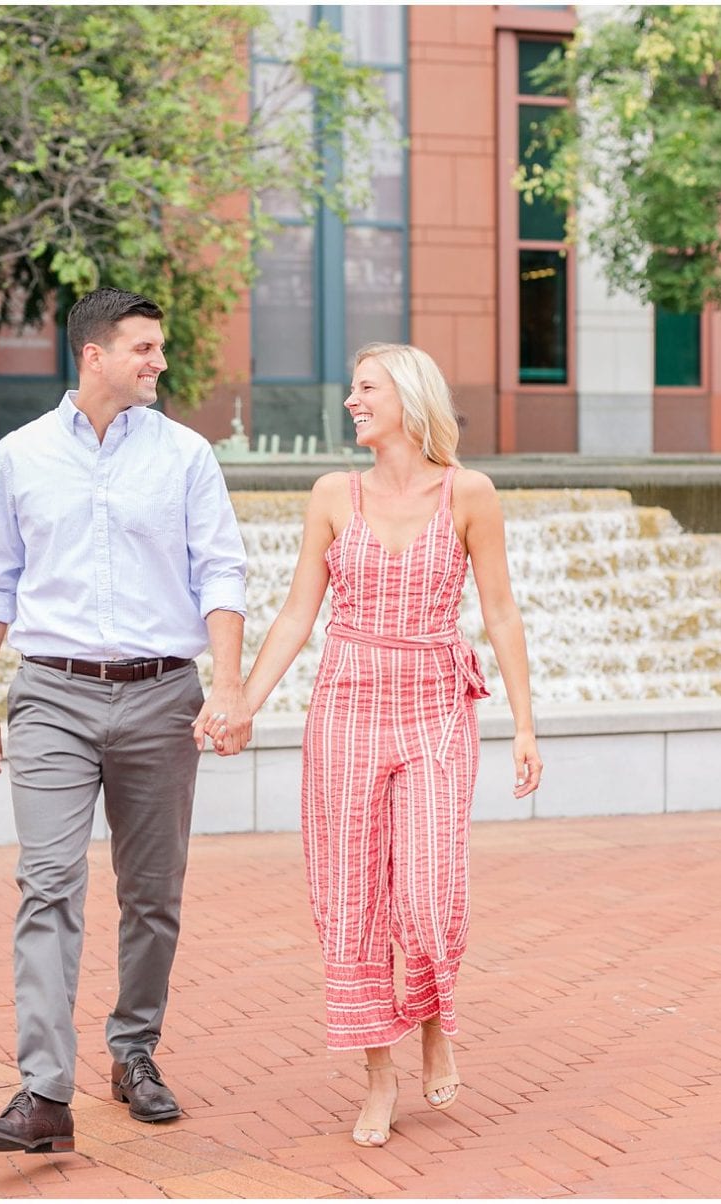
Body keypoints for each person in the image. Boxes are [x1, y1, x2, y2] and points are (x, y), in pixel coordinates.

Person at [206, 342, 541, 1148]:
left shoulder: (471, 493)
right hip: (347, 707)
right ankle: (379, 1073)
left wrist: (525, 725)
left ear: (410, 398)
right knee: (351, 899)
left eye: (367, 389)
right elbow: (296, 615)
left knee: (428, 892)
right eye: (354, 390)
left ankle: (431, 1019)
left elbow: (499, 612)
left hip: (433, 705)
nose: (353, 401)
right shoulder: (332, 494)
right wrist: (241, 702)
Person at [0, 287, 249, 1155]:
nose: (160, 362)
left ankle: (134, 1053)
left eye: (160, 348)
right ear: (94, 355)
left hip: (165, 694)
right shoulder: (20, 455)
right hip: (50, 694)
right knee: (48, 883)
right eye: (145, 348)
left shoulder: (188, 456)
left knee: (152, 895)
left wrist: (227, 686)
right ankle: (45, 1094)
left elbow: (222, 575)